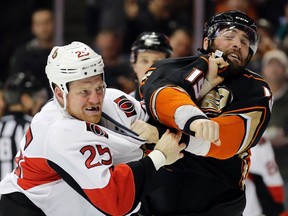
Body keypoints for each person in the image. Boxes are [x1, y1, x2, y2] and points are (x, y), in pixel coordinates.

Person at [0, 41, 186, 216]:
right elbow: (114, 200)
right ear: (59, 93)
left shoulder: (114, 100)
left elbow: (164, 126)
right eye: (84, 92)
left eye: (99, 87)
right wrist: (159, 156)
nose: (95, 99)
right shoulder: (58, 130)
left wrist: (158, 133)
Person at [139, 10, 272, 215]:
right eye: (229, 36)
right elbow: (159, 98)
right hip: (155, 200)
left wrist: (159, 135)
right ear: (207, 41)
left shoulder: (256, 90)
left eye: (245, 41)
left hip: (216, 204)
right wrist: (194, 114)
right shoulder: (168, 67)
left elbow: (227, 142)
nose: (237, 44)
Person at [0, 72, 47, 180]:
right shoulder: (35, 127)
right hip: (24, 193)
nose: (38, 101)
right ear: (25, 99)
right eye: (35, 96)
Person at [261, 49, 288, 208]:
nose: (274, 69)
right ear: (263, 69)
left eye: (279, 65)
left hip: (284, 169)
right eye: (270, 64)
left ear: (285, 70)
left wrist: (284, 139)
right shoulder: (255, 96)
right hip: (256, 171)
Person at [9, 8, 55, 98]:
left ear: (55, 24)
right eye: (39, 24)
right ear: (33, 27)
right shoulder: (23, 54)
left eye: (47, 22)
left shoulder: (65, 51)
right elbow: (14, 81)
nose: (44, 28)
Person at [130, 31, 173, 100]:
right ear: (134, 65)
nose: (150, 67)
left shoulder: (180, 107)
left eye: (157, 62)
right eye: (144, 61)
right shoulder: (121, 107)